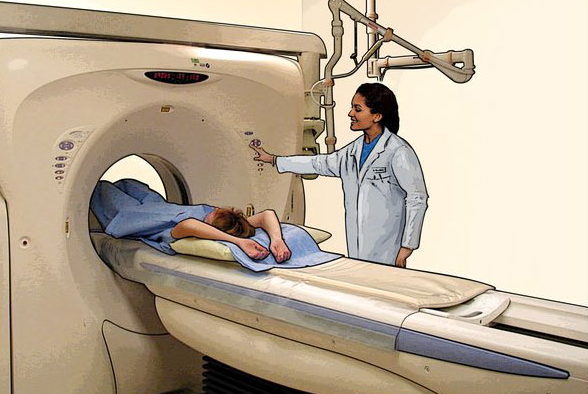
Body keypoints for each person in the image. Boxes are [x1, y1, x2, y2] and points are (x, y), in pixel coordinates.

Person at [251, 83, 428, 267]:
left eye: (357, 109)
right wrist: (274, 160)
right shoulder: (352, 151)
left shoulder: (398, 151)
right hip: (357, 246)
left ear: (377, 116)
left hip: (389, 248)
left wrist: (407, 246)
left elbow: (417, 197)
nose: (350, 113)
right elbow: (318, 163)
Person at [91, 179, 291, 263]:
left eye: (216, 213)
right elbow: (266, 215)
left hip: (135, 216)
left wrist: (239, 242)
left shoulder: (182, 231)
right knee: (129, 184)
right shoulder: (231, 223)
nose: (215, 209)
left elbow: (189, 225)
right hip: (156, 205)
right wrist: (277, 240)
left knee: (101, 187)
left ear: (212, 226)